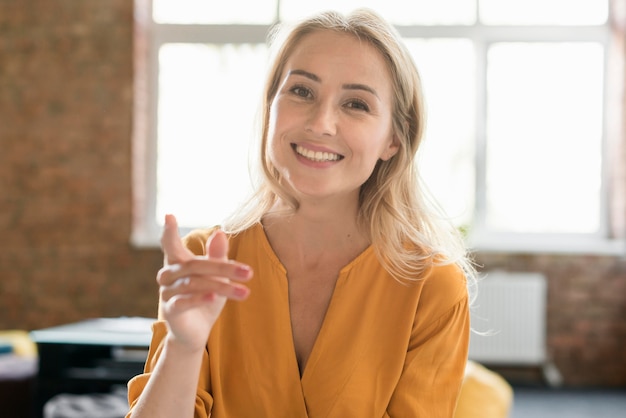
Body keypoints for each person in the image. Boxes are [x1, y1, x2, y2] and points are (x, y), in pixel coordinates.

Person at [126, 8, 475, 418]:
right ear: (271, 107)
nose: (322, 123)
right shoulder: (205, 260)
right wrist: (182, 349)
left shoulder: (431, 286)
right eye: (302, 92)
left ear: (393, 140)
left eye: (356, 104)